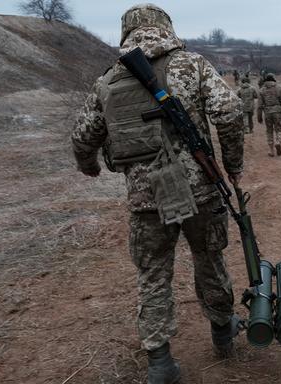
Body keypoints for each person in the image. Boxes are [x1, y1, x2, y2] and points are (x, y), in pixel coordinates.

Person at [70, 4, 245, 384]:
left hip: (146, 198)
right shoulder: (193, 65)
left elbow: (83, 136)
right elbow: (229, 112)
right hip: (200, 191)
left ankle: (160, 361)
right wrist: (233, 165)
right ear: (166, 28)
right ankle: (222, 331)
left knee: (153, 274)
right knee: (209, 260)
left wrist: (90, 166)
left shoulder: (108, 81)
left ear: (126, 33)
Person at [257, 73, 281, 157]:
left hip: (267, 113)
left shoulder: (261, 90)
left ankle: (271, 151)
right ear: (273, 79)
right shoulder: (279, 88)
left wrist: (259, 117)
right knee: (279, 129)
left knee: (269, 131)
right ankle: (278, 141)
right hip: (278, 113)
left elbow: (259, 106)